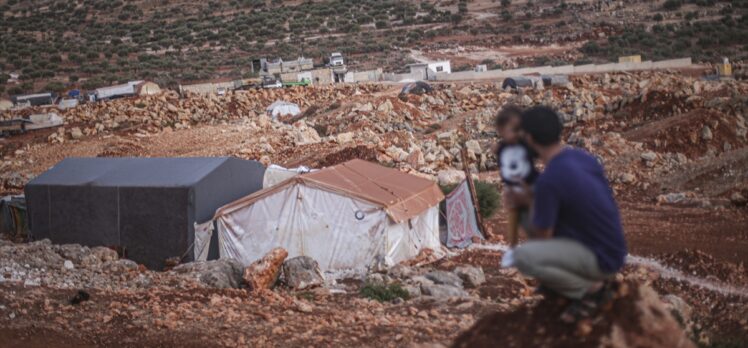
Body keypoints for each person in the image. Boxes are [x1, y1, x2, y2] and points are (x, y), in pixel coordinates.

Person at [506, 106, 627, 322]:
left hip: (600, 259)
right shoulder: (580, 158)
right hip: (614, 248)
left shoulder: (550, 180)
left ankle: (593, 291)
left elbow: (543, 237)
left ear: (530, 139)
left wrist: (522, 204)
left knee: (524, 258)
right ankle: (569, 281)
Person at [494, 105, 538, 247]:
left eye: (520, 129)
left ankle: (538, 242)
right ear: (501, 131)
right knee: (513, 217)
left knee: (534, 218)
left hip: (530, 187)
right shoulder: (502, 148)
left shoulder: (525, 144)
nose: (517, 133)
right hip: (512, 189)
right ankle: (512, 246)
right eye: (513, 130)